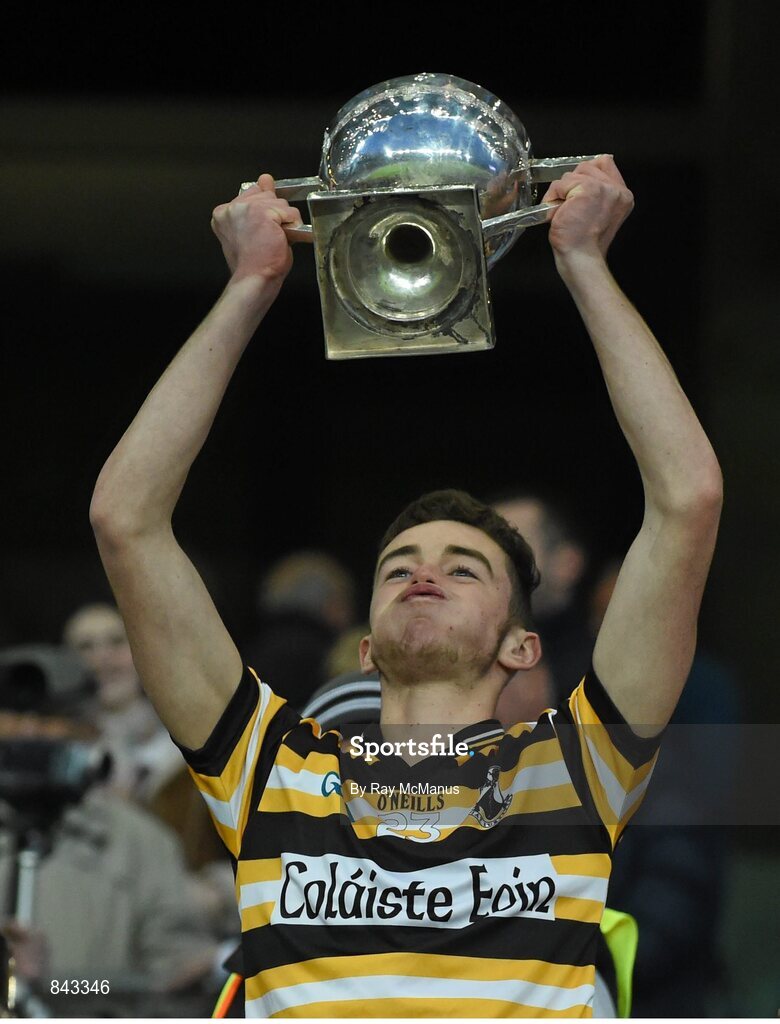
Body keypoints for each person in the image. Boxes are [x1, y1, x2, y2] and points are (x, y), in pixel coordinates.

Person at [89, 157, 723, 1017]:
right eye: (399, 566)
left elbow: (688, 503)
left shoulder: (573, 767)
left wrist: (585, 266)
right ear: (364, 644)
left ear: (520, 645)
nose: (423, 571)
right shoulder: (274, 768)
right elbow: (126, 519)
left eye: (464, 569)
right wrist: (248, 288)